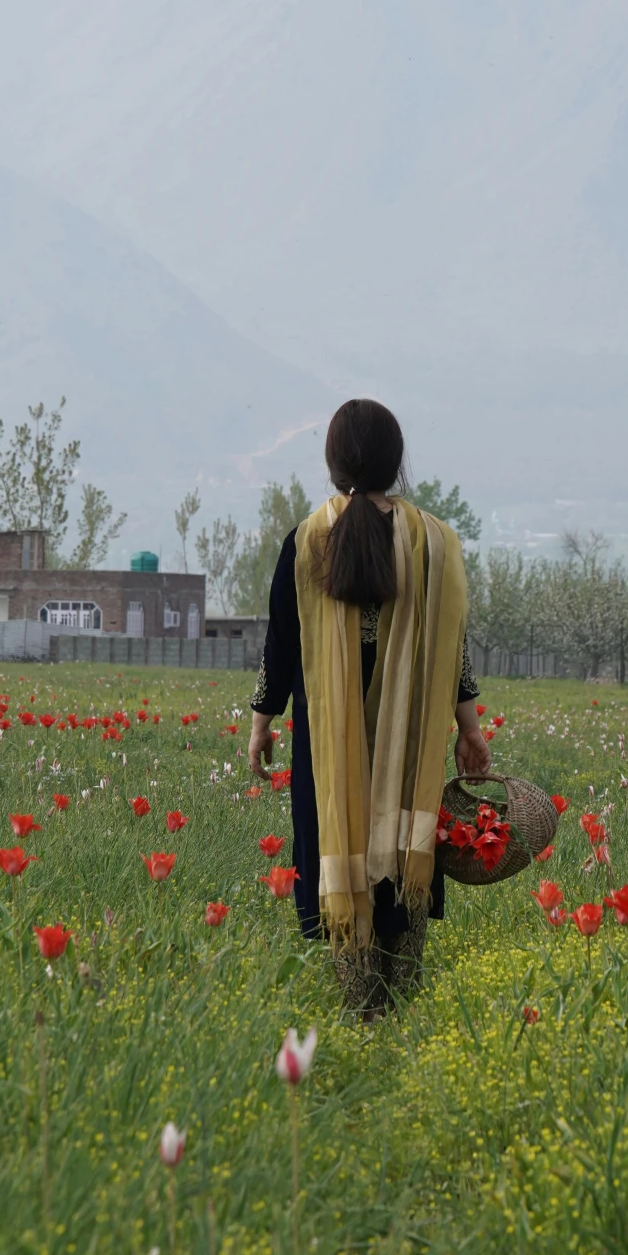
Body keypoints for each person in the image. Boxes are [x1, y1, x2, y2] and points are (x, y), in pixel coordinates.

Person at [248, 398, 489, 1013]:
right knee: (405, 833)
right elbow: (451, 643)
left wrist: (261, 724)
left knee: (339, 835)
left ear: (333, 462)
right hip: (409, 738)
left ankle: (356, 1000)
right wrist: (470, 728)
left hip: (330, 745)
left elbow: (281, 646)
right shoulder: (434, 543)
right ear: (396, 459)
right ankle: (401, 996)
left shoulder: (305, 542)